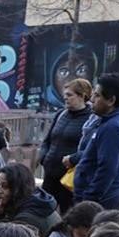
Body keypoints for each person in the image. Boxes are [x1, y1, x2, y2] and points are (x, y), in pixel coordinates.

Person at [73, 73, 119, 210]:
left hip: (101, 201)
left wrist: (90, 199)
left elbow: (107, 169)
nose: (91, 100)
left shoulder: (114, 127)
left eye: (97, 95)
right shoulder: (109, 121)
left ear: (111, 100)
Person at [39, 78, 93, 213]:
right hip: (50, 173)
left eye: (70, 95)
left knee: (67, 213)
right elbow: (48, 140)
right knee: (43, 209)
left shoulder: (91, 119)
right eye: (65, 95)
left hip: (69, 177)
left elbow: (91, 149)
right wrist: (43, 158)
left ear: (82, 96)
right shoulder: (60, 114)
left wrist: (74, 159)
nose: (65, 98)